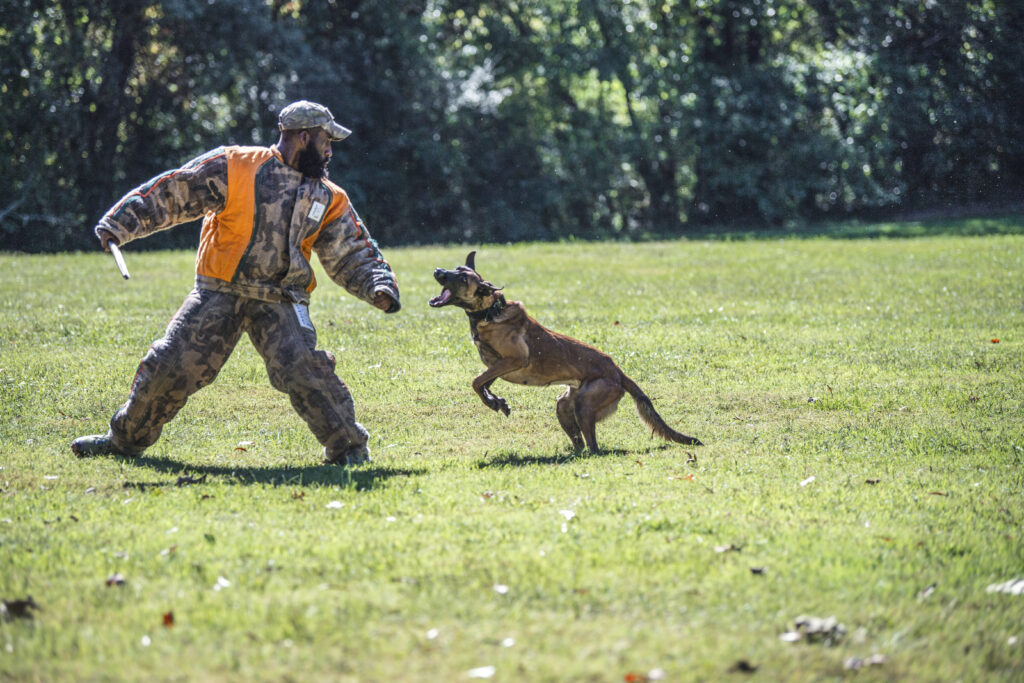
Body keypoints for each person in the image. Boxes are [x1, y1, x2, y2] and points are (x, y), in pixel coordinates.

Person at [71, 100, 400, 465]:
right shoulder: (234, 165)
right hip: (218, 291)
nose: (329, 151)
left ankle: (350, 450)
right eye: (326, 140)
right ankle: (123, 442)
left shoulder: (329, 196)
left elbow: (352, 249)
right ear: (303, 137)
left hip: (282, 299)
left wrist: (378, 285)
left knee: (305, 367)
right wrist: (121, 223)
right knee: (169, 365)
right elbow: (176, 190)